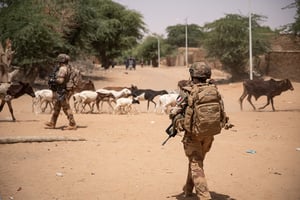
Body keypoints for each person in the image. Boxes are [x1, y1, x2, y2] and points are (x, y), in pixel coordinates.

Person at [170, 61, 228, 200]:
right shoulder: (213, 89)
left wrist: (174, 115)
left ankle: (204, 197)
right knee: (197, 161)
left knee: (196, 163)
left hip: (193, 134)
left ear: (192, 74)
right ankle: (189, 190)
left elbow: (175, 110)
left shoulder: (187, 91)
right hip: (209, 134)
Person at [45, 53, 77, 130]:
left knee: (66, 107)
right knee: (57, 107)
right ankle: (52, 123)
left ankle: (72, 124)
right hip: (62, 90)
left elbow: (61, 81)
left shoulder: (63, 69)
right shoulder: (68, 67)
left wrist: (53, 80)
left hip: (62, 91)